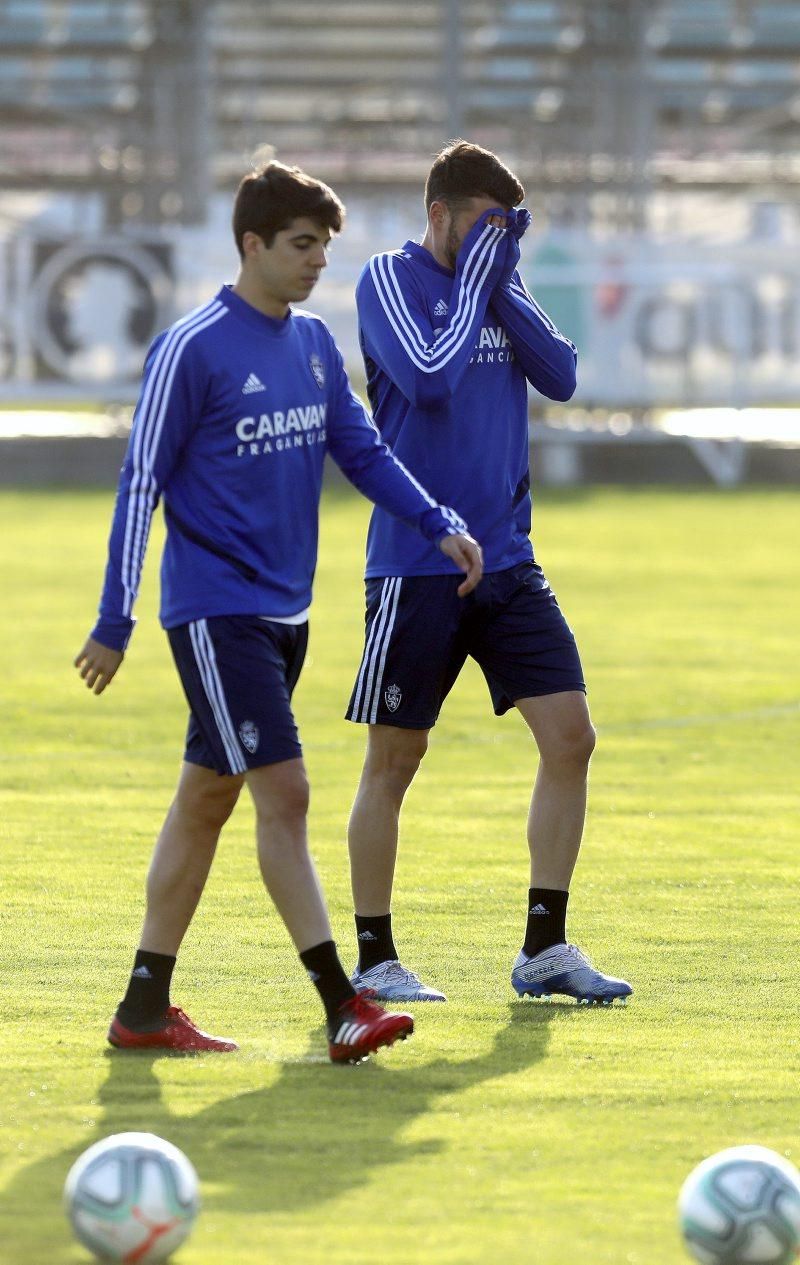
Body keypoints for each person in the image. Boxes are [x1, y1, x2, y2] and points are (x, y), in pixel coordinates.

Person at [74, 160, 483, 1064]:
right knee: (285, 792)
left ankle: (143, 1008)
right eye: (302, 245)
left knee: (206, 799)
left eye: (325, 248)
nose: (316, 263)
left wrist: (437, 520)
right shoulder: (194, 346)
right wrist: (117, 616)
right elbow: (138, 481)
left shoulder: (309, 347)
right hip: (214, 611)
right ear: (251, 244)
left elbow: (365, 452)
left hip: (284, 612)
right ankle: (346, 1000)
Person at [345, 140, 632, 1006]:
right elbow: (428, 377)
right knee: (397, 756)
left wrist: (501, 278)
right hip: (416, 560)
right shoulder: (387, 280)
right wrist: (479, 279)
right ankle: (375, 956)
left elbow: (566, 375)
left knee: (571, 737)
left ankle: (544, 946)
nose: (494, 247)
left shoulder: (496, 285)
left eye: (506, 236)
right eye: (482, 230)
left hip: (509, 558)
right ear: (439, 214)